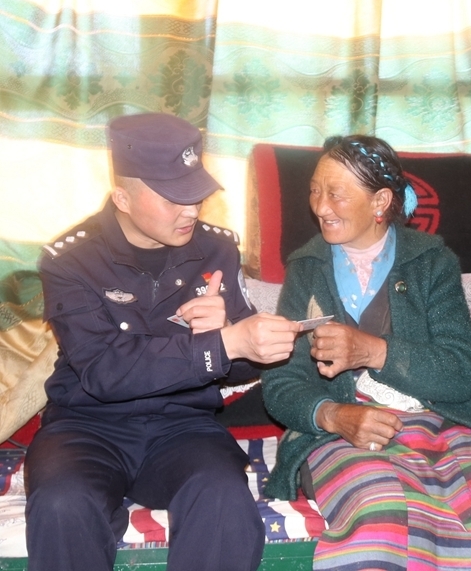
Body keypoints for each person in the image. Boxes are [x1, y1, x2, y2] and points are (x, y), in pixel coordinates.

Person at [261, 135, 471, 571]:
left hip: (449, 419)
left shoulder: (431, 262)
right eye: (315, 190)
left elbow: (460, 373)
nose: (320, 206)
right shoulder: (308, 269)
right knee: (384, 512)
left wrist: (372, 351)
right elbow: (281, 384)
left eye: (336, 194)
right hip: (346, 429)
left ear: (380, 201)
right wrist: (333, 415)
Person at [26, 113, 302, 571]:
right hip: (88, 426)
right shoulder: (71, 260)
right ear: (123, 198)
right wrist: (221, 344)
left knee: (223, 499)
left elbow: (240, 366)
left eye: (196, 193)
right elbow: (104, 371)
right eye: (173, 197)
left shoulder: (218, 248)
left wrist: (241, 341)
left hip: (183, 426)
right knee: (61, 504)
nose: (191, 210)